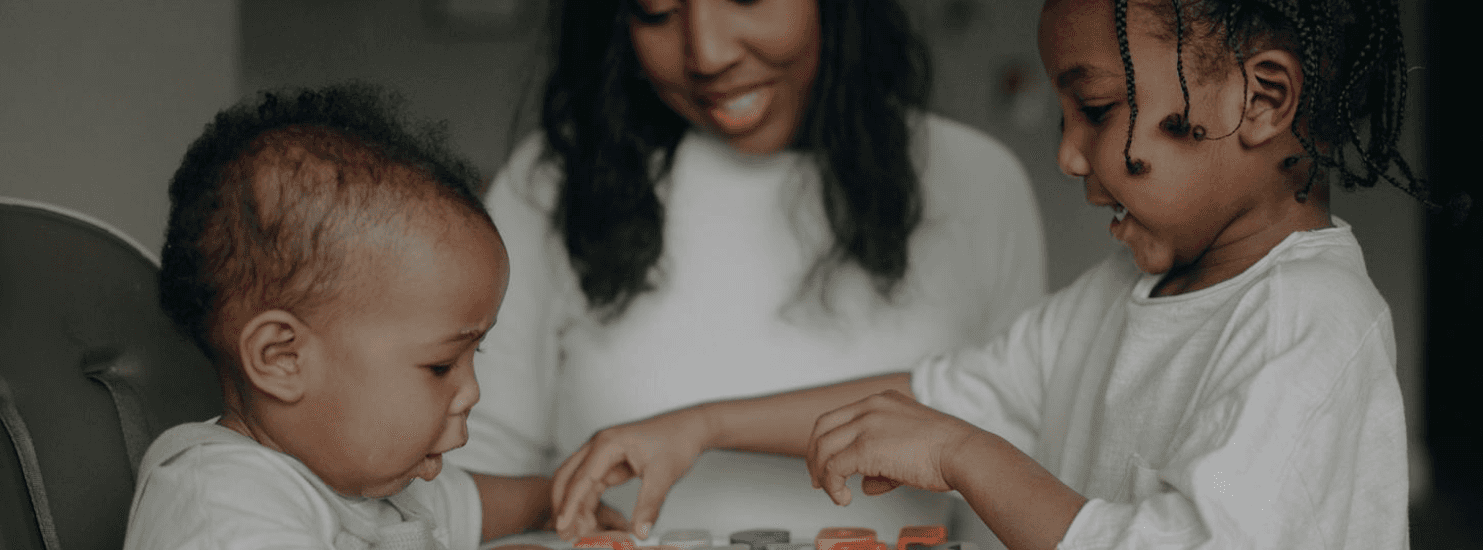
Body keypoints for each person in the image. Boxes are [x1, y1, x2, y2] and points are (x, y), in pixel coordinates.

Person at [547, 0, 1439, 547]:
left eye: (1095, 109)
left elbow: (954, 435)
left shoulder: (1306, 322)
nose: (1065, 153)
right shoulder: (1112, 300)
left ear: (1262, 99)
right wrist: (699, 426)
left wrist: (965, 458)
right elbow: (935, 400)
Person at [448, 0, 1047, 540]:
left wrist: (709, 426)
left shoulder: (979, 184)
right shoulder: (552, 184)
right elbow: (466, 490)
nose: (706, 53)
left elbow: (1018, 467)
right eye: (657, 11)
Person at [126, 83, 582, 549]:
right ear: (282, 358)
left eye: (474, 354)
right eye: (442, 365)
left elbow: (495, 506)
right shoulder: (222, 505)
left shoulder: (382, 482)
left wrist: (563, 499)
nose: (471, 392)